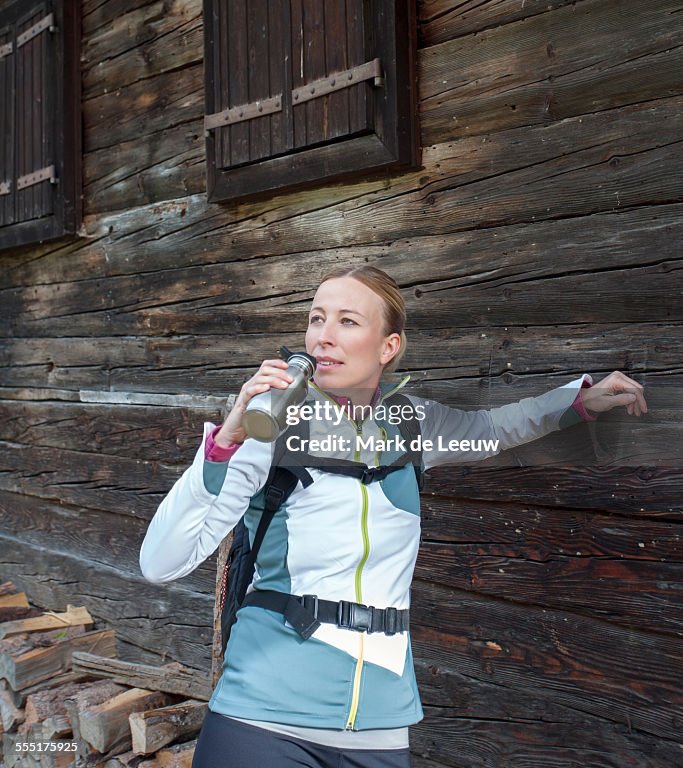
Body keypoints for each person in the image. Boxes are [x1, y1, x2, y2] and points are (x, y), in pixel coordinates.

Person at [139, 266, 646, 768]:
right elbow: (162, 563)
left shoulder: (413, 425)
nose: (323, 337)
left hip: (380, 726)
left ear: (388, 347)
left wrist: (578, 401)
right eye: (316, 319)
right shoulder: (269, 425)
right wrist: (226, 441)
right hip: (263, 717)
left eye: (348, 322)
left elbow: (492, 428)